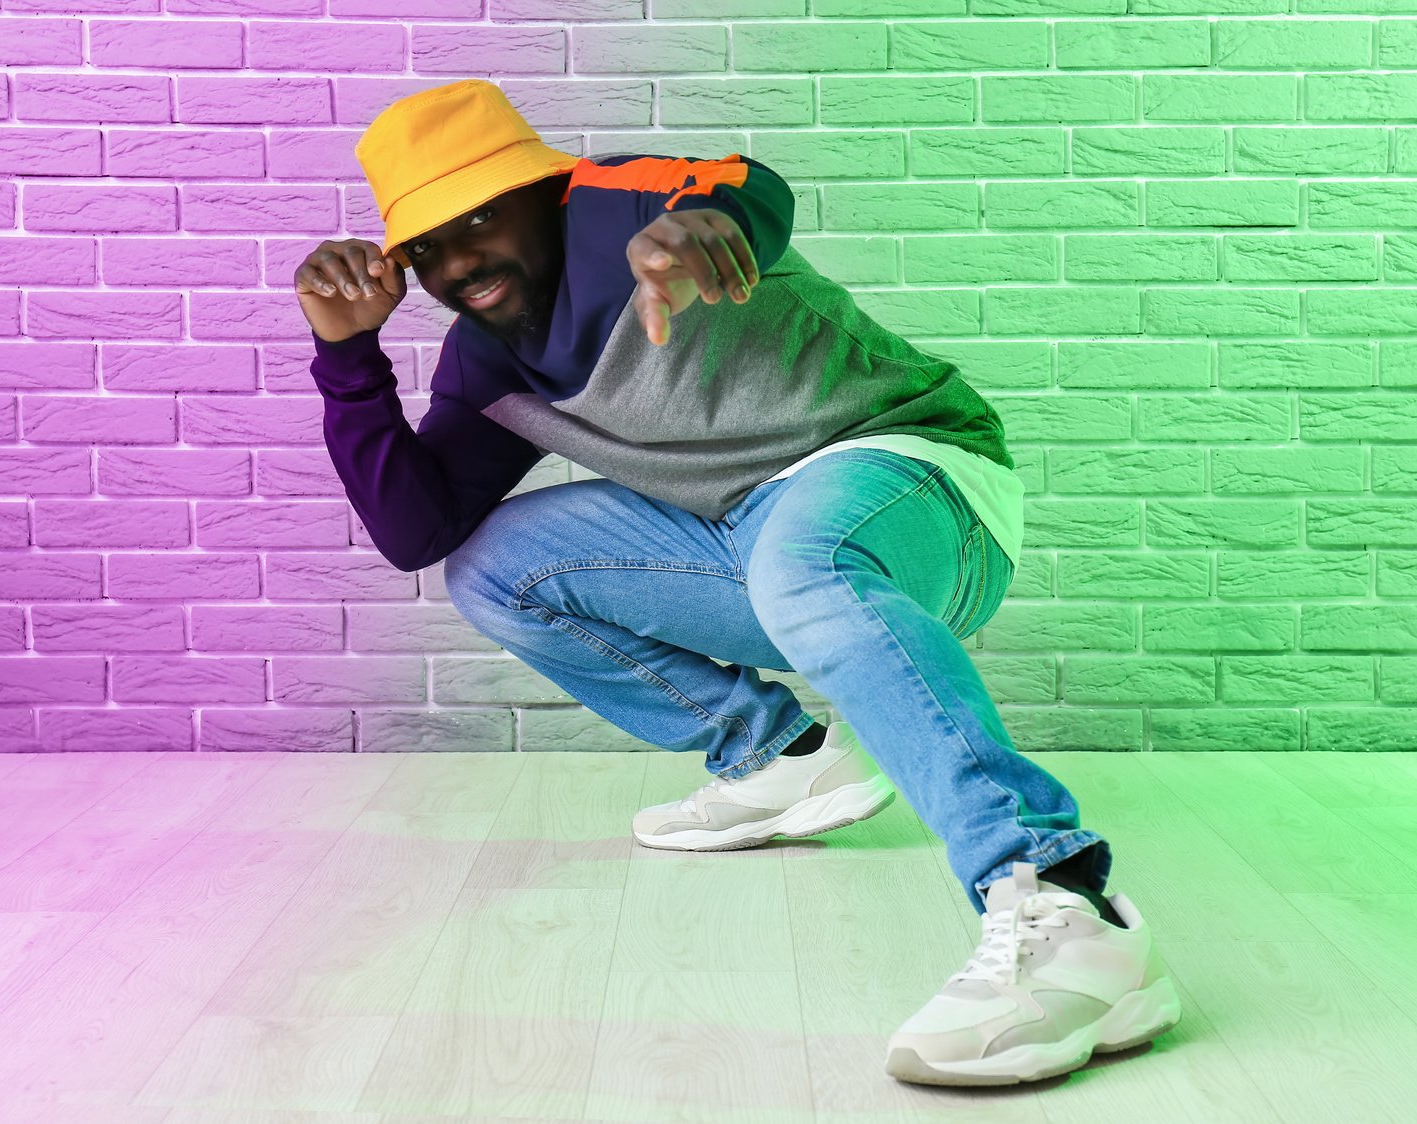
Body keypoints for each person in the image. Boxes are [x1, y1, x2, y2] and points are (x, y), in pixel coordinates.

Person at [294, 78, 1179, 1086]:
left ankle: (1064, 901)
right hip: (760, 546)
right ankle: (776, 758)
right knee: (493, 566)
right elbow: (416, 528)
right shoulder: (488, 364)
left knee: (803, 558)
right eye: (429, 249)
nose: (460, 264)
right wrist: (347, 352)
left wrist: (701, 230)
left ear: (551, 192)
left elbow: (752, 186)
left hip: (919, 483)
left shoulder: (630, 207)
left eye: (484, 218)